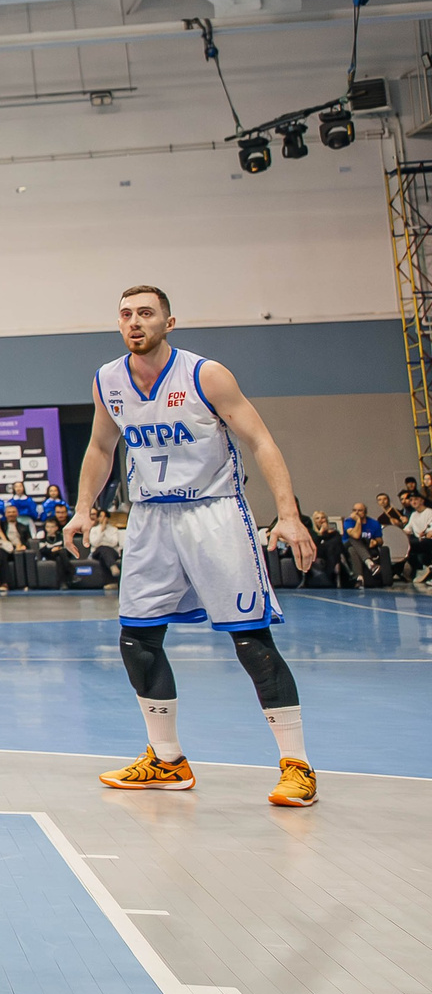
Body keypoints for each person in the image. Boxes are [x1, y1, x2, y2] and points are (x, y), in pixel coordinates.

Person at [70, 285, 319, 803]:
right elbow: (100, 445)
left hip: (215, 513)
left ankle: (297, 766)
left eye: (145, 313)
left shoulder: (206, 374)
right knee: (137, 637)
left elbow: (261, 441)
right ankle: (167, 761)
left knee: (250, 639)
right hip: (150, 519)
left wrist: (289, 516)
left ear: (169, 321)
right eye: (125, 315)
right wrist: (82, 509)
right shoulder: (107, 379)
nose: (134, 322)